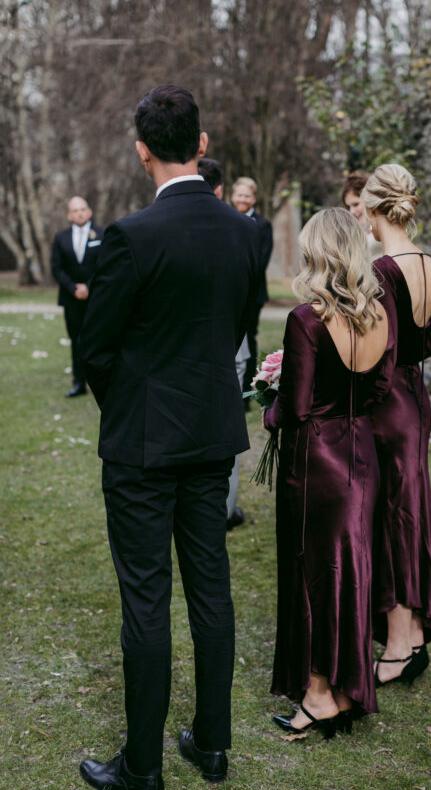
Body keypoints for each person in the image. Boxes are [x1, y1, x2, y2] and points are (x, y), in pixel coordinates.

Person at [78, 85, 259, 790]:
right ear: (203, 145)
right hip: (213, 435)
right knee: (211, 586)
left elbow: (97, 348)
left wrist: (128, 406)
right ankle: (212, 744)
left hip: (144, 447)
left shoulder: (130, 235)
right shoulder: (245, 233)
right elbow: (239, 329)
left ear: (141, 150)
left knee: (147, 599)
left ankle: (145, 768)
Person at [264, 207, 396, 735]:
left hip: (315, 462)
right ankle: (344, 687)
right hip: (363, 455)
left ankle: (318, 694)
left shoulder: (307, 319)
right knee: (349, 574)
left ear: (318, 251)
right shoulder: (380, 314)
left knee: (312, 575)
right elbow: (382, 389)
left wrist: (267, 405)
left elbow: (294, 409)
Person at [361, 164, 431, 686]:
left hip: (387, 404)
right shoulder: (427, 262)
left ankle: (396, 646)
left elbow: (377, 354)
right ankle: (411, 636)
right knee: (409, 516)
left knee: (389, 520)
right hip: (416, 397)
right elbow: (427, 344)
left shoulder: (384, 270)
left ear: (373, 208)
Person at [198, 157, 248, 530]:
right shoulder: (239, 228)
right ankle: (225, 511)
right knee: (226, 436)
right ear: (220, 190)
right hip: (230, 345)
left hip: (188, 354)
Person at [50, 197, 104, 397]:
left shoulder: (102, 234)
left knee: (98, 340)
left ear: (89, 212)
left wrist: (89, 286)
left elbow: (105, 264)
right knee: (76, 341)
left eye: (83, 209)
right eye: (75, 210)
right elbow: (56, 268)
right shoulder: (60, 237)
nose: (80, 213)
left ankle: (100, 381)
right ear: (69, 215)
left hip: (96, 298)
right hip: (71, 299)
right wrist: (73, 288)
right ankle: (78, 383)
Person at [231, 176, 273, 400]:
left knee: (251, 337)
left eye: (247, 195)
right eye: (239, 194)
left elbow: (262, 259)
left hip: (253, 291)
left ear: (253, 198)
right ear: (232, 196)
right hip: (230, 290)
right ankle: (233, 387)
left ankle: (251, 388)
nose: (243, 199)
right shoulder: (226, 220)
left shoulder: (263, 225)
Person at [341, 171, 381, 260]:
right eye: (348, 207)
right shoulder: (359, 232)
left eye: (355, 204)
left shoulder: (383, 230)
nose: (352, 212)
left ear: (369, 199)